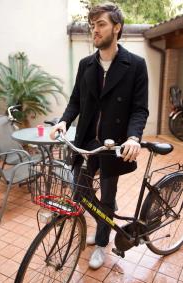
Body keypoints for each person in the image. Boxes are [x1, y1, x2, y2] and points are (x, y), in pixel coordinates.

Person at [50, 2, 149, 269]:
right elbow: (75, 101)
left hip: (113, 145)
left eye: (101, 24)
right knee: (80, 190)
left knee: (106, 195)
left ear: (116, 28)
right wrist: (63, 122)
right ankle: (103, 221)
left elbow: (139, 109)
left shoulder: (136, 65)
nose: (95, 30)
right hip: (86, 143)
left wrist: (132, 138)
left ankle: (103, 243)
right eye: (92, 25)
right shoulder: (86, 65)